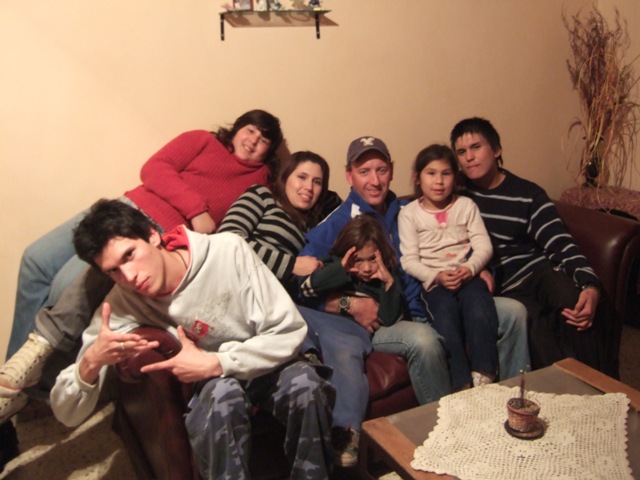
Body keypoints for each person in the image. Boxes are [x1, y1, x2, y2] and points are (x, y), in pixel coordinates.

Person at [0, 110, 283, 421]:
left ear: (269, 151)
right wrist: (196, 209)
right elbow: (155, 168)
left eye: (264, 140)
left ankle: (23, 386)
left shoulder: (259, 182)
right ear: (237, 128)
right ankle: (16, 375)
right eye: (250, 130)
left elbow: (239, 228)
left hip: (155, 236)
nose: (253, 140)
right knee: (35, 260)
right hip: (125, 210)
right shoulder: (203, 140)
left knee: (63, 286)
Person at [50, 199, 335, 480]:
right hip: (211, 385)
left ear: (152, 235)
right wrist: (91, 360)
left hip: (263, 363)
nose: (129, 276)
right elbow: (67, 414)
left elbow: (289, 330)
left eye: (129, 255)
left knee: (306, 384)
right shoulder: (123, 302)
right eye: (113, 270)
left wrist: (218, 362)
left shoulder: (227, 250)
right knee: (223, 394)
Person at [450, 116, 606, 373]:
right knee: (534, 325)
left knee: (573, 300)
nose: (469, 157)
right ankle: (560, 392)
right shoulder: (455, 195)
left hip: (538, 272)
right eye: (461, 152)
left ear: (496, 150)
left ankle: (601, 386)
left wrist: (591, 285)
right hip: (505, 286)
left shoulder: (527, 193)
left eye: (476, 147)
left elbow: (560, 242)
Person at [299, 214, 410, 463]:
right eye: (359, 260)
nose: (367, 268)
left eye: (373, 259)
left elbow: (389, 318)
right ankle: (308, 356)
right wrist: (341, 269)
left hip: (350, 332)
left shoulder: (382, 281)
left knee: (346, 358)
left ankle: (347, 432)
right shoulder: (335, 268)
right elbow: (306, 290)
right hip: (318, 323)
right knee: (292, 311)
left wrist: (389, 282)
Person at [398, 144, 498, 390]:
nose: (439, 181)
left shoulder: (466, 206)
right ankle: (460, 382)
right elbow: (409, 260)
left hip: (467, 275)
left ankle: (484, 373)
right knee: (444, 314)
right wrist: (436, 276)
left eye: (446, 173)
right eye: (431, 173)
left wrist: (471, 268)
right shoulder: (409, 213)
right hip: (435, 281)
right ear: (417, 178)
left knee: (479, 305)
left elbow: (484, 246)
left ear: (455, 177)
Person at [218, 150, 331, 296]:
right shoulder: (263, 195)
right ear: (285, 177)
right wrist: (290, 265)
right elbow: (227, 240)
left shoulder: (313, 228)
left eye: (317, 182)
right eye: (302, 177)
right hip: (233, 282)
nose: (309, 187)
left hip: (270, 298)